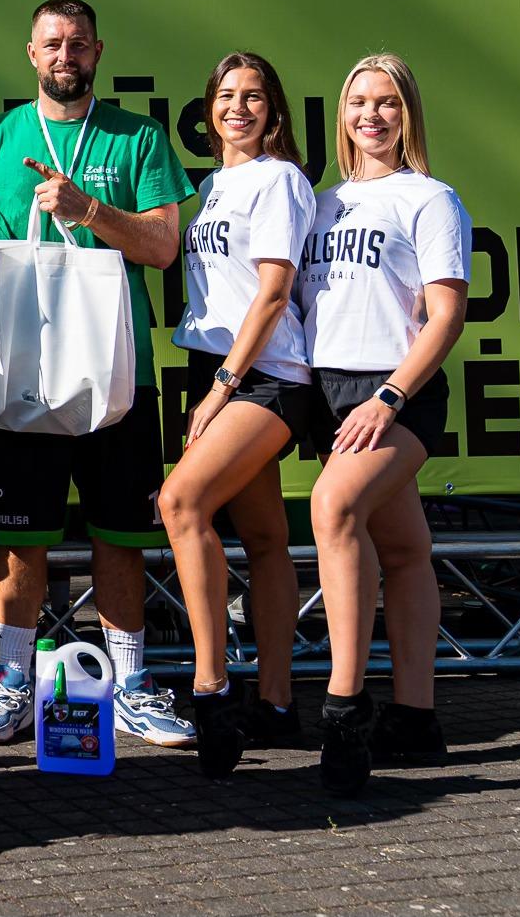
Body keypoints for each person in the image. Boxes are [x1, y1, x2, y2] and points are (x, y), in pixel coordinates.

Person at [0, 0, 196, 750]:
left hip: (119, 370)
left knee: (121, 532)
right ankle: (13, 680)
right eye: (52, 43)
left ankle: (130, 686)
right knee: (21, 537)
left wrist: (89, 210)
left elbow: (162, 246)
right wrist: (18, 287)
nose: (65, 56)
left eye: (78, 44)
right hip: (24, 367)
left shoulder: (138, 136)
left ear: (98, 52)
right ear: (31, 53)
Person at [300, 53, 468, 796]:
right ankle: (416, 719)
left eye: (388, 102)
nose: (371, 115)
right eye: (359, 101)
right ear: (342, 114)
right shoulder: (320, 203)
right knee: (403, 548)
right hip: (332, 391)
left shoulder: (431, 199)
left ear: (409, 115)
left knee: (334, 507)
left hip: (399, 392)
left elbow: (448, 315)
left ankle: (345, 709)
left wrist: (390, 398)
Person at [161, 52, 315, 776]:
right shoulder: (211, 186)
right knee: (263, 536)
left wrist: (224, 384)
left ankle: (212, 690)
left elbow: (274, 292)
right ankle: (277, 704)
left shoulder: (280, 179)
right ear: (208, 109)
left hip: (266, 375)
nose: (239, 108)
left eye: (254, 96)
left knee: (180, 502)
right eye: (226, 95)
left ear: (273, 108)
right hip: (217, 366)